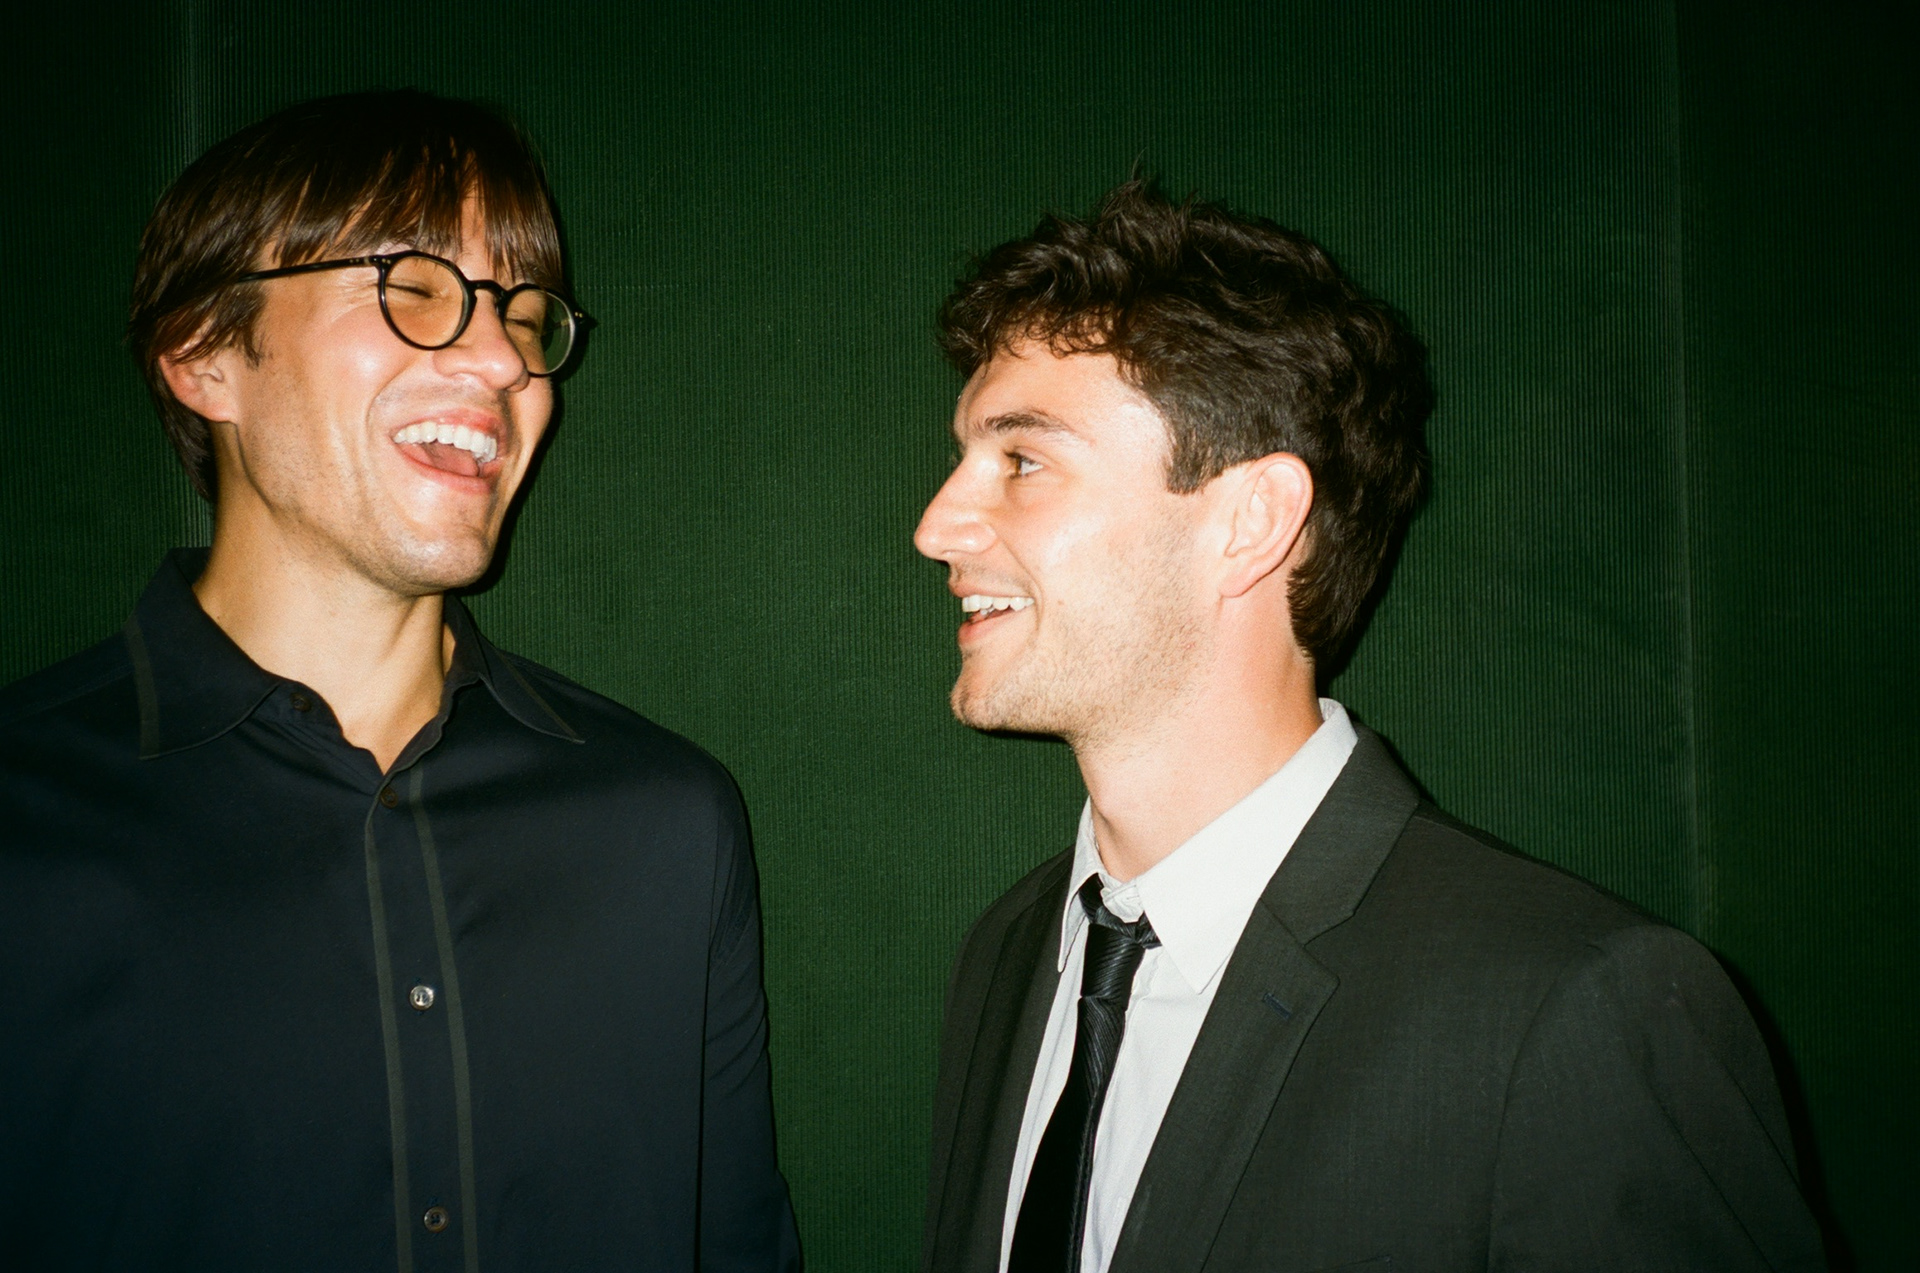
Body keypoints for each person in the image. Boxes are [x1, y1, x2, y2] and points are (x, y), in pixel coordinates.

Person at [914, 180, 1823, 1273]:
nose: (936, 526)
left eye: (1022, 460)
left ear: (1252, 521)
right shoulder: (1009, 954)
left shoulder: (1571, 1006)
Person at [0, 90, 798, 1272]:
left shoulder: (669, 822)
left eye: (525, 315)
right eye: (412, 288)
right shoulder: (21, 821)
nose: (505, 360)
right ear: (205, 353)